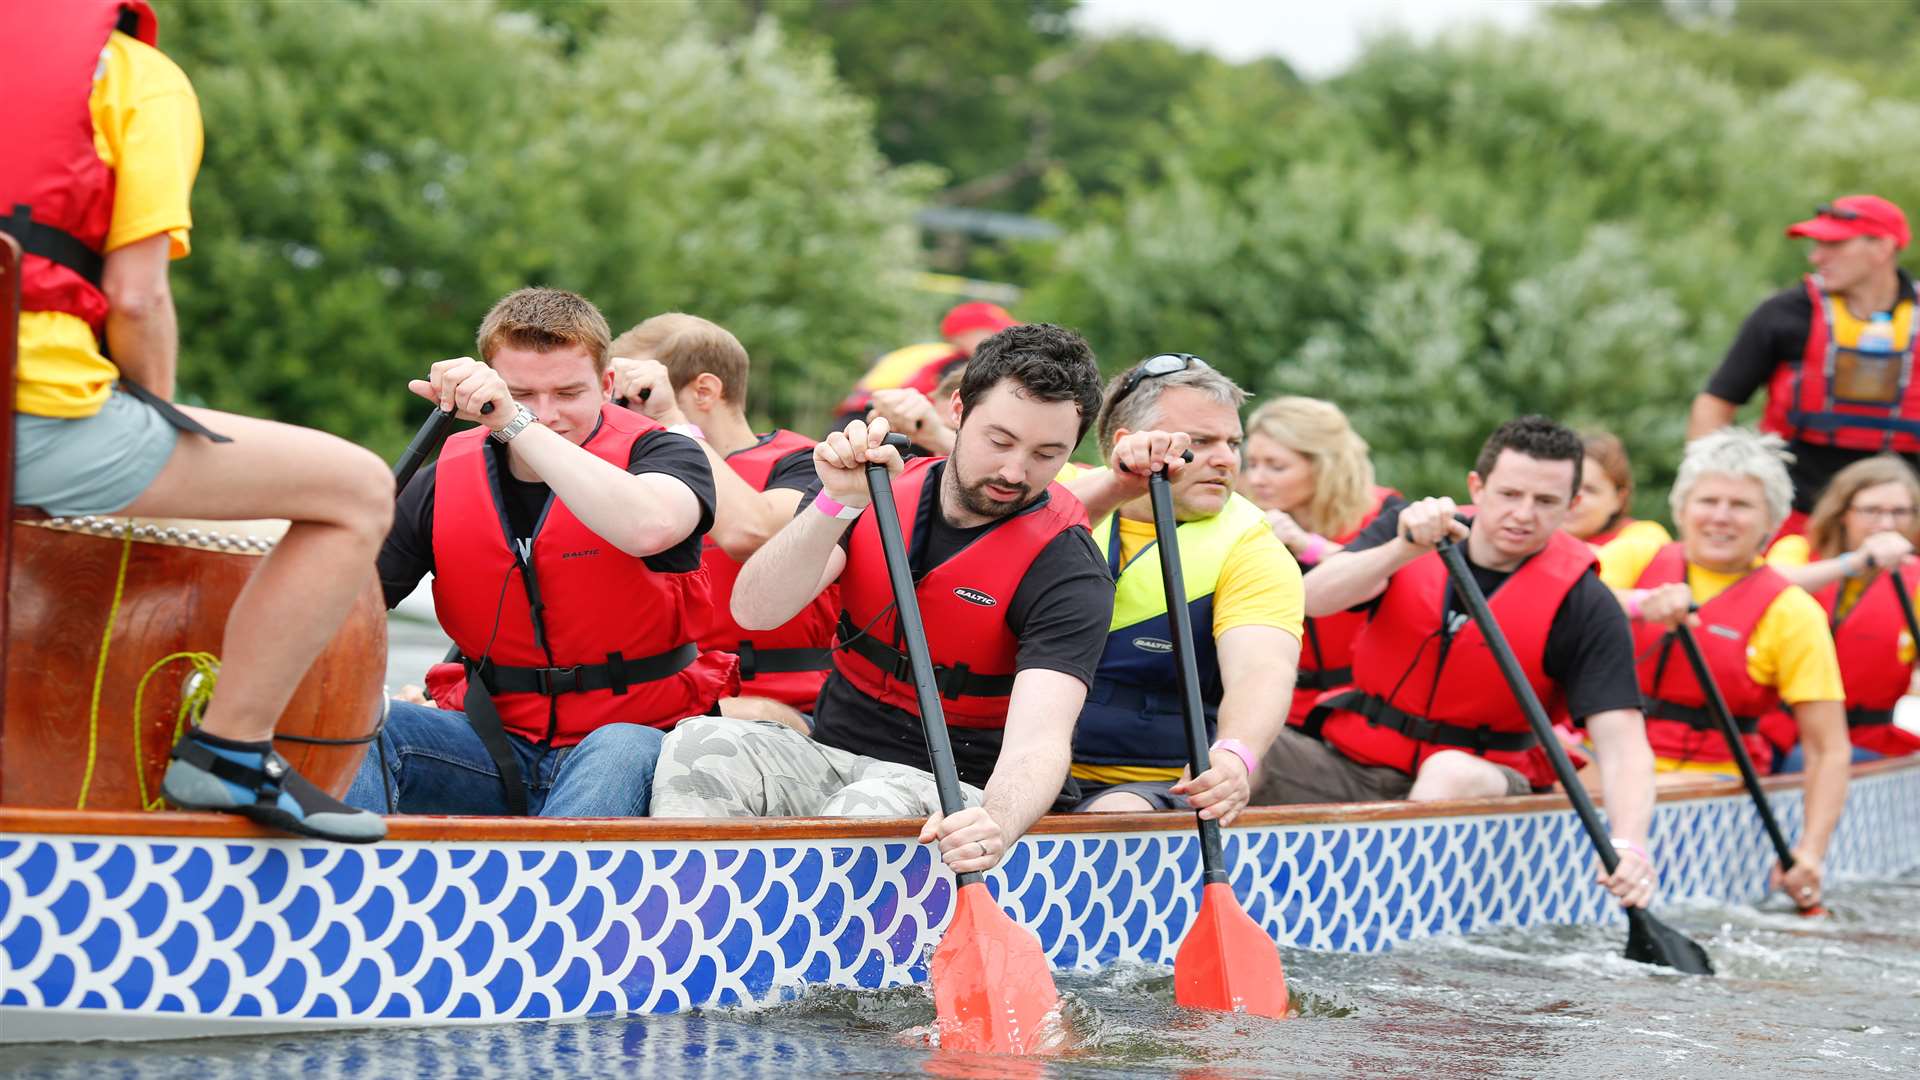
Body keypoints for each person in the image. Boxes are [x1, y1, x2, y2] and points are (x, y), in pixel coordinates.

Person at [3, 1, 393, 842]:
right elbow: (136, 299)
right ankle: (231, 751)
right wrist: (160, 415)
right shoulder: (134, 77)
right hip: (32, 416)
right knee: (358, 490)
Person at [649, 324, 1114, 878]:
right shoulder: (873, 489)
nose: (1015, 471)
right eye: (1000, 441)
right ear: (959, 411)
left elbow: (1040, 745)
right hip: (832, 754)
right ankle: (692, 924)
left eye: (1047, 453)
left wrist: (997, 824)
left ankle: (803, 956)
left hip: (955, 795)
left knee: (866, 813)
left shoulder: (1069, 570)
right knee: (698, 743)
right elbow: (754, 610)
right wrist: (834, 505)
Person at [346, 288, 737, 819]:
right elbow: (349, 605)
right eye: (521, 394)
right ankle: (353, 884)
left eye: (568, 393)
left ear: (605, 385)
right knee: (355, 722)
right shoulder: (442, 482)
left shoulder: (665, 452)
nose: (546, 414)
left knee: (620, 749)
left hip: (636, 735)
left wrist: (512, 420)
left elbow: (651, 528)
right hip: (493, 741)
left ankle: (557, 892)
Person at [1255, 417, 1659, 909]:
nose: (1524, 514)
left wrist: (1628, 843)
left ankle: (1382, 904)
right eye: (1510, 494)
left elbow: (1623, 746)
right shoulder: (1406, 530)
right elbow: (1312, 600)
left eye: (1546, 501)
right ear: (1477, 486)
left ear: (1572, 506)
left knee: (1447, 770)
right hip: (1355, 761)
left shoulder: (1587, 604)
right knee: (1234, 748)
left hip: (1484, 776)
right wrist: (1402, 550)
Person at [1599, 429, 1846, 909]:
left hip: (1712, 776)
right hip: (1605, 758)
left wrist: (1810, 853)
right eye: (1707, 500)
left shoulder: (1793, 612)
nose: (1720, 517)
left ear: (1770, 521)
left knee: (1622, 785)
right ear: (1682, 507)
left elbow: (1827, 749)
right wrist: (1640, 602)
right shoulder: (1636, 558)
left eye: (1740, 505)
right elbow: (1561, 596)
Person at [1059, 357, 1303, 823]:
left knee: (1116, 816)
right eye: (1203, 442)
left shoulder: (1252, 544)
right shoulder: (1062, 494)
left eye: (1233, 443)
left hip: (1146, 784)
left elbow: (1262, 669)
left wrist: (1234, 756)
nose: (1228, 459)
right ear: (1128, 444)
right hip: (1010, 761)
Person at [607, 312, 833, 732]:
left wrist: (671, 422)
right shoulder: (628, 474)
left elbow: (749, 533)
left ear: (704, 391)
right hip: (665, 696)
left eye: (634, 394)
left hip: (781, 706)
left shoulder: (812, 466)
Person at [1690, 196, 1919, 539]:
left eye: (1834, 245)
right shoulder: (1782, 314)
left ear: (1882, 248)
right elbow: (1715, 404)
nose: (1817, 256)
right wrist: (1708, 484)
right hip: (1796, 514)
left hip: (1903, 517)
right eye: (1817, 245)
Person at [1237, 396, 1403, 730]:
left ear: (1324, 466)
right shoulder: (1246, 519)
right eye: (1252, 464)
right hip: (1275, 703)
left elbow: (1379, 581)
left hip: (1363, 711)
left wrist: (1306, 545)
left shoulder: (1388, 514)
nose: (1257, 479)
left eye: (1276, 466)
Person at [1759, 455, 1920, 767]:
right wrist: (1857, 562)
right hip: (1776, 728)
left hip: (1861, 740)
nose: (1886, 524)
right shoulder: (1797, 551)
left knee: (1805, 761)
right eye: (1872, 510)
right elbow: (1765, 588)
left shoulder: (1915, 582)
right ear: (1844, 512)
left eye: (1900, 512)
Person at [829, 301, 1017, 431]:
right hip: (871, 419)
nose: (1001, 342)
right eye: (992, 333)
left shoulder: (936, 353)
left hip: (874, 417)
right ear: (963, 335)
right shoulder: (954, 364)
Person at [1565, 430, 1669, 550]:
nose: (1574, 499)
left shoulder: (1645, 538)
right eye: (1567, 486)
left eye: (1590, 490)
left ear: (1619, 499)